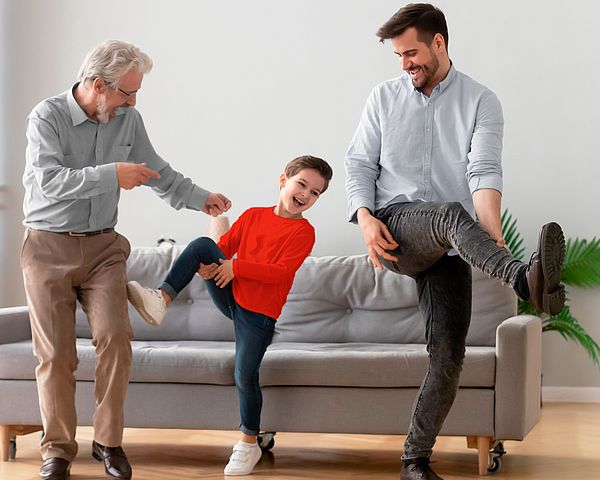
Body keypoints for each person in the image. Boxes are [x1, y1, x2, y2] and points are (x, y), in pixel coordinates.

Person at [344, 4, 565, 480]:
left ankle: (414, 459)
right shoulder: (383, 98)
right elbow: (359, 162)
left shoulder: (481, 101)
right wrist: (364, 219)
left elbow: (483, 171)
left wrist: (493, 236)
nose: (405, 64)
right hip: (396, 226)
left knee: (448, 355)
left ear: (439, 43)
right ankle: (524, 282)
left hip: (449, 241)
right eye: (399, 56)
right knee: (448, 213)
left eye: (412, 53)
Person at [21, 40, 231, 480]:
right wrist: (111, 175)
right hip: (47, 249)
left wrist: (200, 199)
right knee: (56, 355)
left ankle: (107, 442)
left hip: (103, 249)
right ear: (98, 85)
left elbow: (157, 170)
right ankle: (57, 450)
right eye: (126, 93)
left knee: (116, 338)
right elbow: (48, 182)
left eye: (135, 94)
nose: (133, 102)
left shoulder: (128, 120)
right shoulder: (48, 116)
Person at [126, 155, 333, 476]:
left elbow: (281, 273)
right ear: (284, 180)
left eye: (315, 193)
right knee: (201, 245)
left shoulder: (304, 233)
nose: (306, 194)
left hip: (259, 315)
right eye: (302, 184)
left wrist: (235, 267)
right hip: (231, 296)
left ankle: (249, 443)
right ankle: (161, 298)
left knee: (244, 376)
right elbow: (222, 247)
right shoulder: (252, 216)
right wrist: (210, 267)